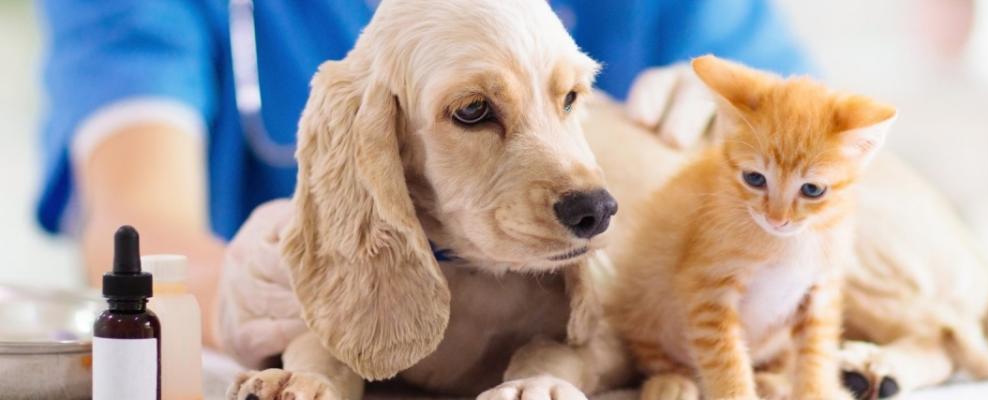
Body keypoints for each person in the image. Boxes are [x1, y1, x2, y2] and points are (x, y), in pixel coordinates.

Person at [37, 0, 811, 347]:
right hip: (340, 347)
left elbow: (848, 158)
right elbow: (135, 222)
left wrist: (759, 141)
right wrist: (234, 288)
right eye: (476, 112)